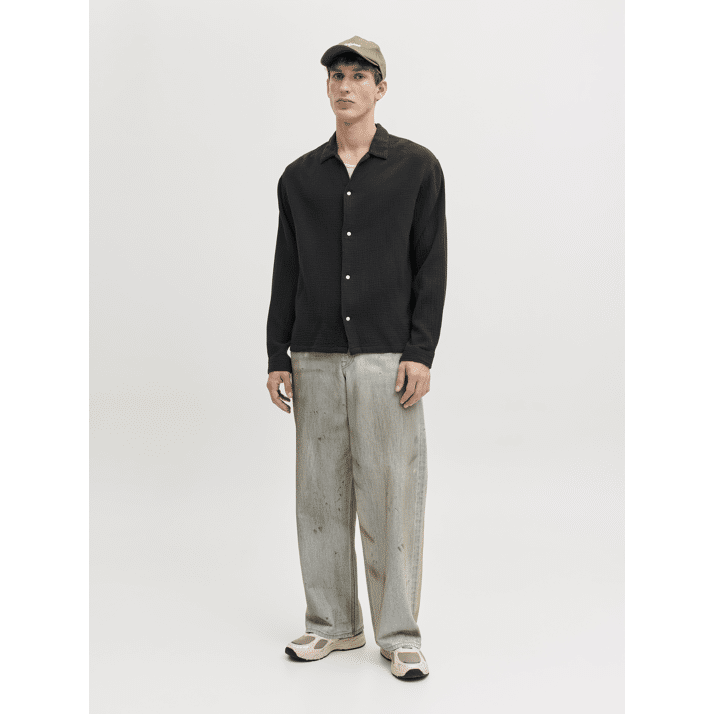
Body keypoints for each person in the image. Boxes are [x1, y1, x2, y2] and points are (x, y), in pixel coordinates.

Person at [265, 35, 447, 680]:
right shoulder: (299, 177)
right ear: (327, 88)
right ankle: (332, 625)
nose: (345, 86)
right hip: (313, 354)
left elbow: (431, 264)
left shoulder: (417, 168)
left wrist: (420, 351)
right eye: (336, 76)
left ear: (380, 88)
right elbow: (286, 268)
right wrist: (277, 353)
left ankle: (399, 635)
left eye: (359, 76)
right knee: (319, 498)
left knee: (394, 495)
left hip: (386, 359)